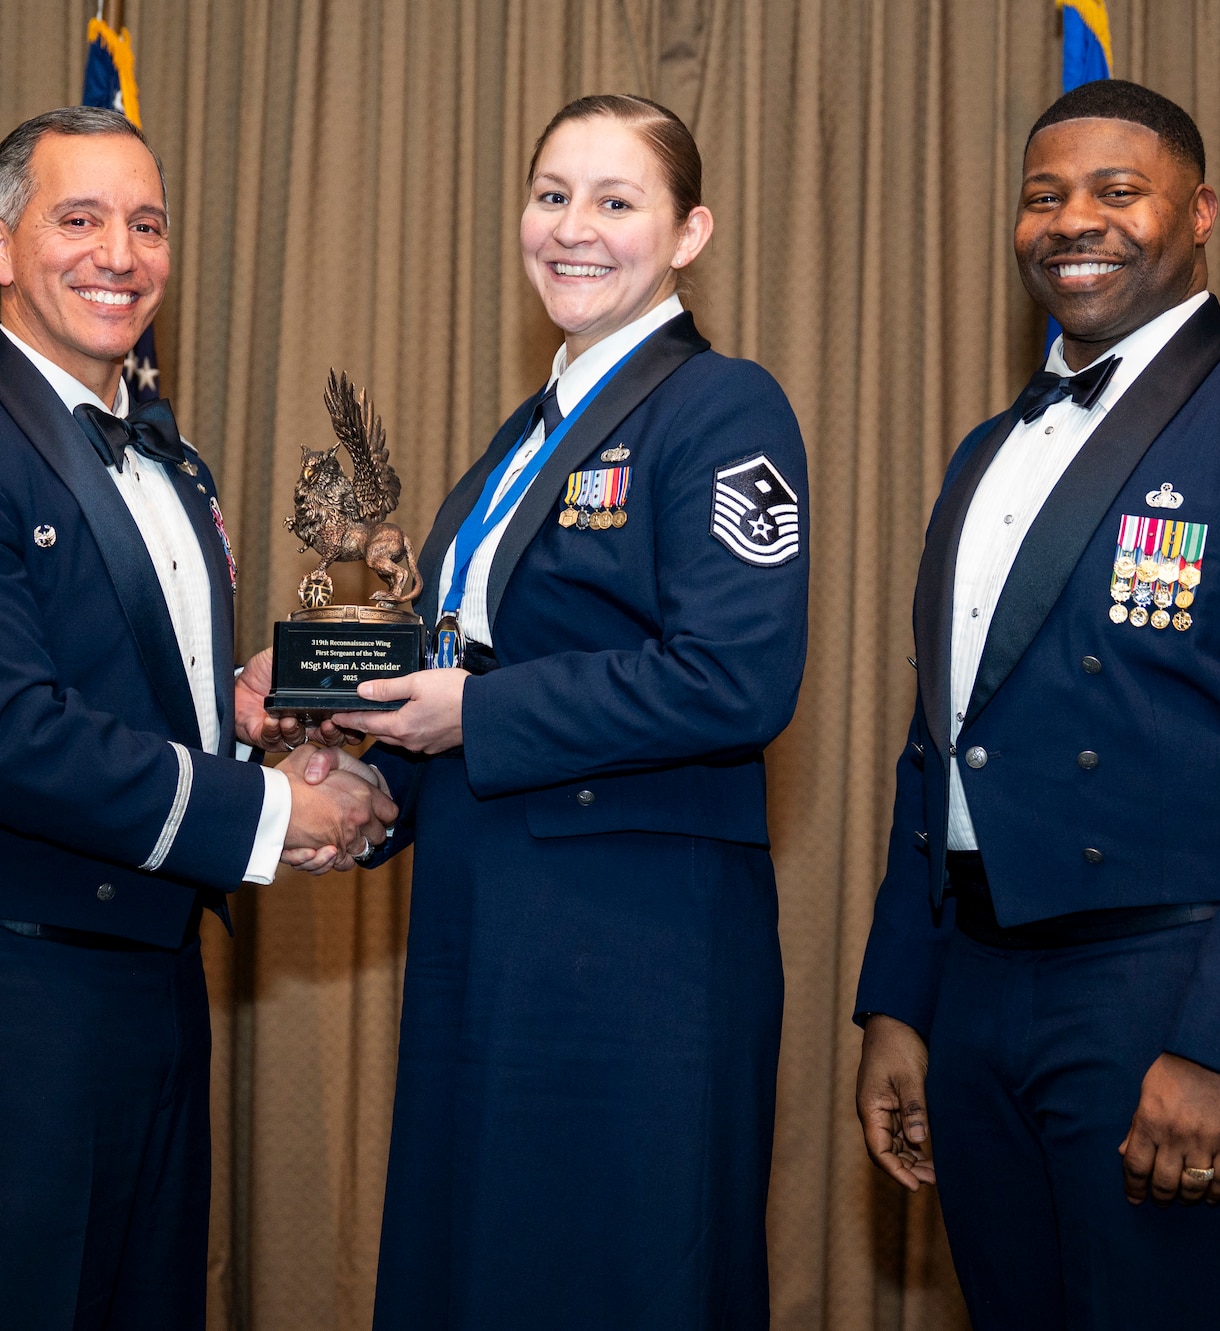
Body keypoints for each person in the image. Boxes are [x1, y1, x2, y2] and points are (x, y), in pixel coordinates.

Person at [851, 80, 1220, 1330]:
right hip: (977, 989)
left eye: (1116, 191)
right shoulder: (980, 451)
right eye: (1042, 196)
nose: (1075, 220)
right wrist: (901, 998)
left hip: (1168, 990)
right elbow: (942, 742)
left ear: (1198, 211)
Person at [254, 93, 808, 1327]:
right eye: (552, 194)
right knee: (485, 1272)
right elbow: (467, 661)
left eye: (616, 201)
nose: (573, 228)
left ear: (689, 231)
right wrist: (336, 728)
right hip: (485, 924)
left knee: (612, 1276)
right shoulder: (524, 437)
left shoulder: (721, 406)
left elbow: (735, 676)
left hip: (632, 950)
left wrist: (474, 712)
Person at [0, 106, 394, 1331]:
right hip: (9, 975)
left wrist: (251, 721)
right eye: (77, 219)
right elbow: (13, 737)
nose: (120, 254)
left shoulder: (174, 464)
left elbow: (129, 693)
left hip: (156, 970)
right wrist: (271, 811)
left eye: (145, 223)